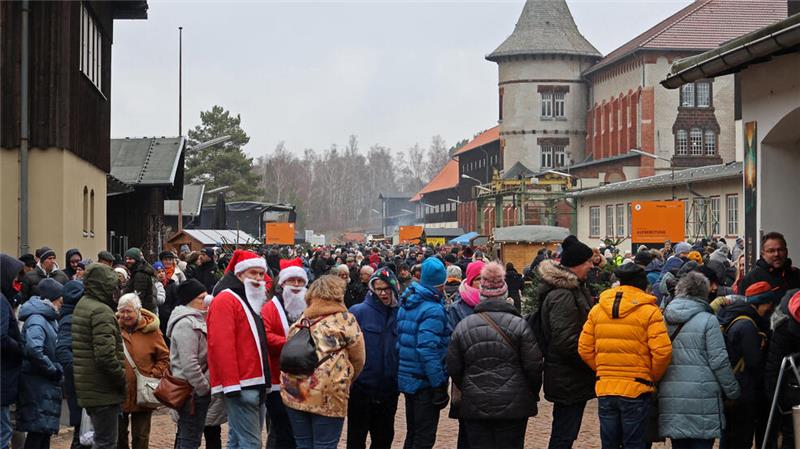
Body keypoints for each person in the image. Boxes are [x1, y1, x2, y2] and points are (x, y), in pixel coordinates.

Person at [447, 262, 543, 449]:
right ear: (504, 294)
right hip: (513, 405)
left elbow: (454, 367)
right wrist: (530, 392)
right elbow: (534, 366)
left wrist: (468, 385)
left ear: (481, 294)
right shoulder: (520, 325)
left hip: (475, 404)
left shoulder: (463, 326)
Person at [578, 263, 672, 449]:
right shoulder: (650, 312)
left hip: (606, 386)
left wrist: (603, 369)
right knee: (634, 443)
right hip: (637, 387)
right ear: (642, 285)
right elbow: (662, 351)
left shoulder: (598, 309)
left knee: (609, 443)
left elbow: (584, 348)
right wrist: (650, 376)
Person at [280, 274, 366, 449]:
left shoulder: (301, 320)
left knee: (302, 444)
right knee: (325, 445)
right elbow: (359, 358)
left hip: (294, 390)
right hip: (328, 392)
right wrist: (347, 378)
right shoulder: (345, 320)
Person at [659, 272, 741, 449]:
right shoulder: (709, 320)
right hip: (704, 395)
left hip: (671, 392)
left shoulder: (664, 317)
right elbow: (719, 361)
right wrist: (732, 391)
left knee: (679, 444)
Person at [535, 235, 596, 449]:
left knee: (566, 432)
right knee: (564, 434)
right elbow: (566, 341)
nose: (591, 265)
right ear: (577, 264)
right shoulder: (563, 295)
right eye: (587, 261)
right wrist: (591, 362)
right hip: (568, 377)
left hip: (569, 376)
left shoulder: (573, 289)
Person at [207, 250, 271, 449]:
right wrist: (231, 384)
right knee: (251, 442)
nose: (259, 279)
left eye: (261, 274)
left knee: (237, 440)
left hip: (254, 382)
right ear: (240, 273)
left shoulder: (251, 300)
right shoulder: (226, 299)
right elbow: (221, 345)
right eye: (253, 273)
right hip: (243, 384)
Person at [397, 257, 450, 449]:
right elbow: (428, 350)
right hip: (424, 381)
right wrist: (439, 384)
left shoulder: (408, 301)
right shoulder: (433, 309)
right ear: (441, 284)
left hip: (408, 376)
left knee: (413, 433)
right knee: (424, 437)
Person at [72, 263, 127, 449]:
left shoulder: (83, 304)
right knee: (106, 442)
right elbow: (105, 355)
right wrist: (121, 378)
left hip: (90, 386)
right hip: (103, 389)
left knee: (101, 440)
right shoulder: (100, 311)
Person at [347, 268, 401, 449]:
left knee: (384, 440)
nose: (383, 293)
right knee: (356, 440)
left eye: (387, 289)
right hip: (361, 389)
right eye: (378, 289)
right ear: (372, 289)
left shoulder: (399, 313)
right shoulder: (358, 311)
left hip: (388, 390)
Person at [718, 281, 774, 449]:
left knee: (729, 435)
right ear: (762, 303)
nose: (770, 308)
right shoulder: (747, 325)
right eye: (768, 304)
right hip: (743, 390)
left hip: (732, 388)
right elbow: (754, 361)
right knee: (740, 438)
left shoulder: (733, 317)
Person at [261, 262, 310, 449]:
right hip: (277, 380)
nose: (296, 285)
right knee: (281, 431)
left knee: (299, 431)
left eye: (300, 281)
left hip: (304, 379)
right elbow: (265, 337)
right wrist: (294, 344)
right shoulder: (269, 308)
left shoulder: (309, 307)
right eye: (292, 281)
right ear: (282, 283)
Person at [117, 293, 170, 449]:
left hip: (143, 390)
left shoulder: (151, 331)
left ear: (138, 311)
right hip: (120, 390)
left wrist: (154, 374)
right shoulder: (113, 328)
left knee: (141, 436)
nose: (125, 315)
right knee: (119, 435)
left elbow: (164, 357)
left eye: (129, 311)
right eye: (122, 311)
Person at [17, 279, 64, 449]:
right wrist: (52, 370)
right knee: (37, 433)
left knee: (43, 431)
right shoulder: (38, 319)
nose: (61, 303)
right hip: (37, 383)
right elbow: (34, 350)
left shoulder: (49, 318)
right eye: (60, 299)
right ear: (52, 299)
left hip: (43, 383)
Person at [167, 279, 212, 449]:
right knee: (190, 438)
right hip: (190, 391)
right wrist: (203, 387)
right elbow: (189, 362)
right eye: (202, 298)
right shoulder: (186, 324)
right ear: (189, 300)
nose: (206, 301)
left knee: (187, 434)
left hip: (192, 389)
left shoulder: (197, 319)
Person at [765, 289, 800, 449]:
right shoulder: (783, 325)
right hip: (793, 390)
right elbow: (774, 363)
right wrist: (776, 401)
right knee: (792, 433)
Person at [55, 281, 88, 449]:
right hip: (79, 385)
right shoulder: (70, 319)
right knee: (81, 435)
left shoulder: (74, 316)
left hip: (81, 385)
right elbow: (63, 352)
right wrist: (81, 371)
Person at [1, 254, 24, 449]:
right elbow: (1, 338)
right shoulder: (0, 301)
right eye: (14, 278)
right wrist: (19, 346)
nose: (17, 283)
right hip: (3, 375)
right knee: (3, 431)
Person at [740, 232, 800, 300]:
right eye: (771, 251)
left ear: (786, 251)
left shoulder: (796, 274)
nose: (776, 254)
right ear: (763, 254)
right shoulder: (751, 278)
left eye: (780, 250)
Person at [123, 248, 157, 313]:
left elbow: (138, 296)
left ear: (137, 259)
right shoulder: (138, 271)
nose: (127, 261)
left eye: (130, 259)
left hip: (142, 311)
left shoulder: (140, 274)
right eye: (126, 259)